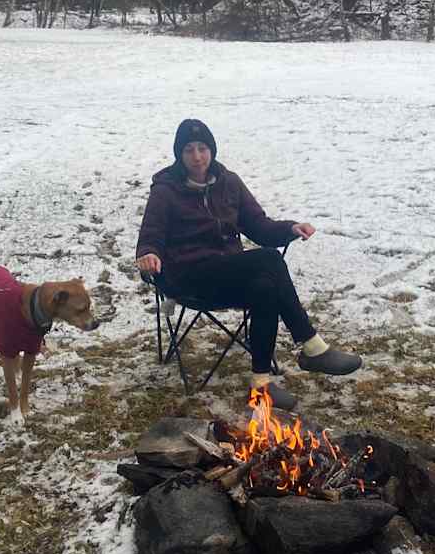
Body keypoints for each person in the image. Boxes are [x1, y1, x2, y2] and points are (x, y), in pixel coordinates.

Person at [135, 118, 361, 410]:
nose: (197, 156)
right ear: (179, 154)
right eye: (189, 149)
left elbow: (259, 226)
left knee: (265, 286)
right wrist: (149, 254)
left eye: (202, 148)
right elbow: (150, 236)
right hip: (188, 277)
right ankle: (312, 346)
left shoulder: (229, 182)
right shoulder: (166, 191)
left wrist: (290, 228)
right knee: (267, 260)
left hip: (226, 273)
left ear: (211, 150)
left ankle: (260, 385)